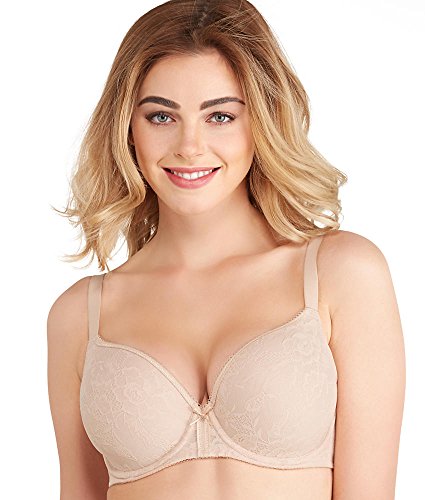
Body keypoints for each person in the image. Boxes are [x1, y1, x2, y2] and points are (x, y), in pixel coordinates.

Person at [46, 0, 406, 499]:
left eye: (219, 116)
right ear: (127, 128)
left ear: (262, 120)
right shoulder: (79, 316)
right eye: (160, 116)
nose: (189, 146)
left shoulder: (341, 274)